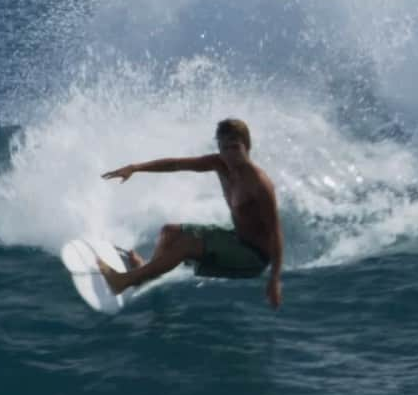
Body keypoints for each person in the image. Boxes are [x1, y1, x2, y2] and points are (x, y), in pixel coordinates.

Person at [99, 118, 284, 308]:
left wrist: (275, 279)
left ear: (247, 146)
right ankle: (144, 275)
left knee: (186, 244)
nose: (229, 155)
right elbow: (176, 165)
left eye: (235, 147)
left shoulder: (259, 184)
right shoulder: (219, 163)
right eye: (224, 148)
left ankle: (123, 281)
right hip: (235, 238)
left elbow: (275, 233)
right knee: (169, 231)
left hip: (253, 257)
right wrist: (135, 168)